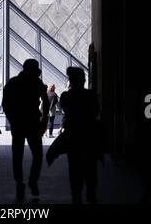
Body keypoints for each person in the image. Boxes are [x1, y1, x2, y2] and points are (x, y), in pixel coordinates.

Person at [2, 59, 49, 200]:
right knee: (38, 155)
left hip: (18, 123)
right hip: (33, 122)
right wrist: (44, 119)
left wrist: (12, 119)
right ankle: (33, 181)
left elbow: (5, 104)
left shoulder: (12, 82)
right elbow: (45, 102)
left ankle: (19, 181)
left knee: (17, 154)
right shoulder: (37, 82)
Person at [59, 66, 101, 204]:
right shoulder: (91, 95)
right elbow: (95, 112)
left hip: (73, 136)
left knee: (74, 166)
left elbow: (65, 110)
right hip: (89, 136)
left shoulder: (66, 96)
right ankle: (91, 193)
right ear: (83, 79)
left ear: (70, 80)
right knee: (90, 166)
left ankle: (76, 194)